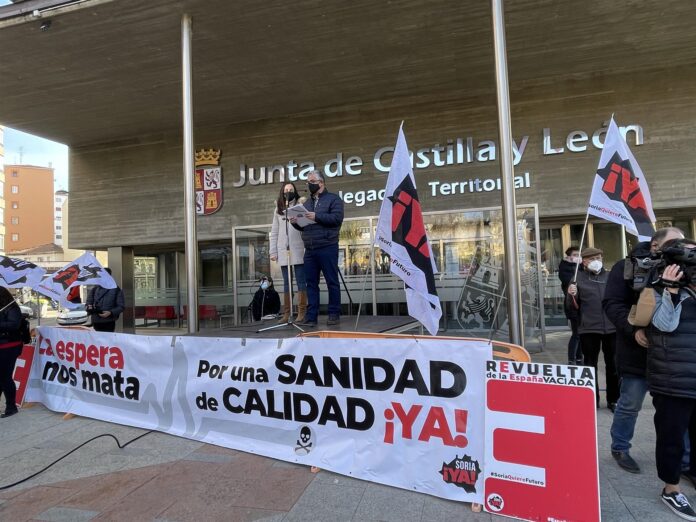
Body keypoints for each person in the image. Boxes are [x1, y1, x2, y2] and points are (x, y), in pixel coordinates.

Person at [604, 227, 684, 474]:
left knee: (675, 411)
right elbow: (612, 303)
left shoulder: (685, 268)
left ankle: (684, 460)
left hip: (675, 355)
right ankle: (620, 447)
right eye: (674, 243)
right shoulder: (627, 267)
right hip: (636, 352)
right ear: (655, 246)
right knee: (629, 404)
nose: (680, 248)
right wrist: (633, 330)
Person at [647, 238, 696, 521]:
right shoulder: (655, 288)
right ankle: (671, 487)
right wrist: (671, 290)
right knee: (672, 438)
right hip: (673, 378)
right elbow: (665, 325)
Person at [567, 246, 619, 410]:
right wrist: (571, 294)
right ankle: (591, 400)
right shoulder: (577, 279)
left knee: (613, 365)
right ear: (584, 262)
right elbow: (571, 307)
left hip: (611, 328)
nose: (596, 261)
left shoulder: (611, 276)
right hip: (588, 329)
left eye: (598, 258)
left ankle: (613, 399)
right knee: (590, 365)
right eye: (591, 259)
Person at [290, 170, 344, 327]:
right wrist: (295, 221)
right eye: (307, 181)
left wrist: (317, 216)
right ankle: (311, 316)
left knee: (332, 282)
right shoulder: (307, 203)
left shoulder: (334, 199)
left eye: (312, 181)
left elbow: (336, 219)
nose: (309, 184)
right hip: (310, 250)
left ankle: (334, 314)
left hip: (328, 246)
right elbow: (303, 227)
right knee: (311, 284)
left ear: (321, 183)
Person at [270, 182, 307, 323]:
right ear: (282, 192)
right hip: (283, 249)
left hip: (297, 248)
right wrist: (273, 251)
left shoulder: (299, 206)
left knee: (300, 281)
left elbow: (305, 226)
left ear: (295, 191)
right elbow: (274, 231)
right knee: (286, 282)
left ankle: (302, 311)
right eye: (286, 190)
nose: (288, 192)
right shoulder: (278, 209)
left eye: (291, 189)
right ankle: (287, 313)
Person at [0, 287, 23, 418]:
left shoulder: (12, 308)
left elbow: (14, 325)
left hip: (9, 345)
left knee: (5, 377)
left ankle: (11, 406)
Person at [558, 245, 582, 365]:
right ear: (568, 257)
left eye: (579, 255)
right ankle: (572, 359)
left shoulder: (580, 267)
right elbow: (570, 282)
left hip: (582, 305)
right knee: (577, 334)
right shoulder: (565, 268)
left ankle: (579, 357)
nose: (578, 257)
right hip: (572, 305)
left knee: (581, 334)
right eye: (575, 255)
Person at [86, 268, 125, 332]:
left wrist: (110, 312)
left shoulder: (116, 289)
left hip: (109, 321)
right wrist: (88, 307)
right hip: (96, 321)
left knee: (108, 341)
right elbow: (88, 303)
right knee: (97, 341)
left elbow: (121, 306)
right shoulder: (94, 289)